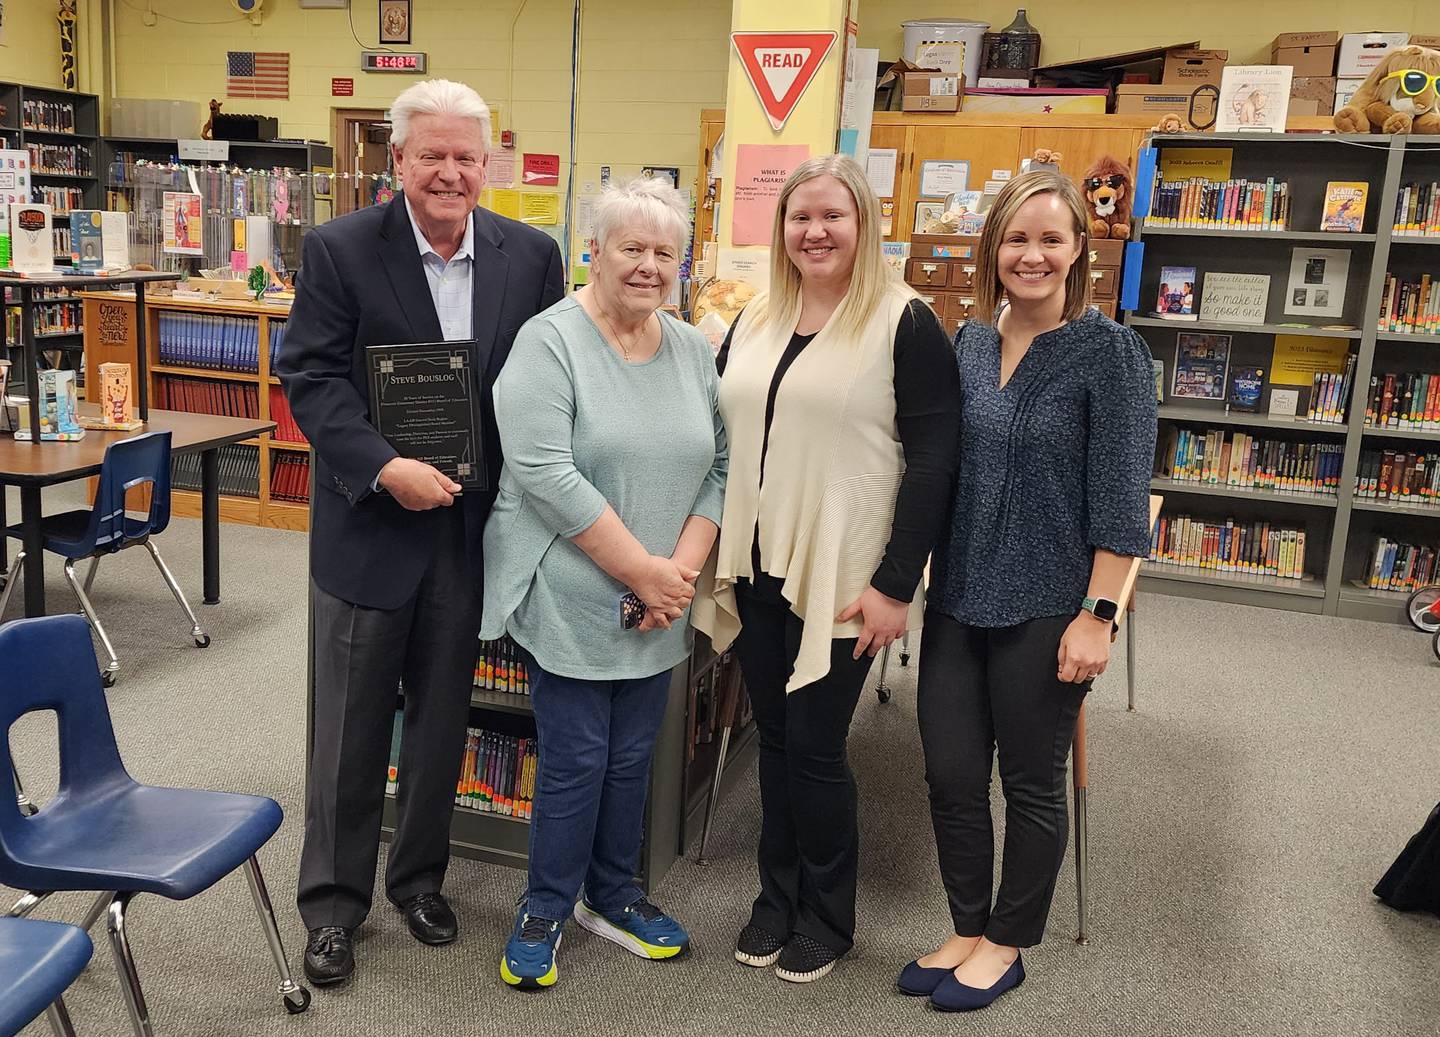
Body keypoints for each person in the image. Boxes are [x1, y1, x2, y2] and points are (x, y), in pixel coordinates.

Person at [278, 78, 564, 987]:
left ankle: (420, 879)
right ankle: (332, 906)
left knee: (442, 720)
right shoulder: (340, 249)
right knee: (352, 733)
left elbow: (555, 378)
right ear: (396, 159)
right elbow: (313, 378)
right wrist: (380, 465)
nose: (449, 172)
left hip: (472, 532)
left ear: (490, 163)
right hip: (371, 527)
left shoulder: (533, 256)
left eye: (466, 156)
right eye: (430, 154)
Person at [693, 154, 961, 984]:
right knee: (771, 737)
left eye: (832, 216)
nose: (815, 231)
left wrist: (894, 585)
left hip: (846, 574)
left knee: (813, 746)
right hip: (762, 564)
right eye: (799, 216)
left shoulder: (902, 322)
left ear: (863, 225)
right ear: (781, 228)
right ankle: (777, 899)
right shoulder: (759, 315)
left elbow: (935, 460)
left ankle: (828, 915)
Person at [901, 169, 1155, 1012]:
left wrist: (1099, 615)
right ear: (992, 248)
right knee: (948, 773)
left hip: (1052, 604)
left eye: (1051, 238)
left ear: (1080, 248)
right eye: (1017, 238)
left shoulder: (1110, 352)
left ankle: (1008, 940)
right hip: (960, 595)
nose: (1032, 254)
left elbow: (1122, 500)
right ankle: (967, 924)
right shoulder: (968, 341)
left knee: (1032, 784)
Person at [480, 177, 727, 990]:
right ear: (594, 251)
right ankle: (546, 905)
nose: (649, 266)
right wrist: (646, 573)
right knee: (577, 759)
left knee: (632, 758)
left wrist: (676, 575)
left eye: (665, 252)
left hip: (659, 600)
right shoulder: (548, 343)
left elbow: (720, 465)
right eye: (632, 248)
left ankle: (613, 893)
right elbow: (545, 472)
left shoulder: (692, 348)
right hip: (575, 594)